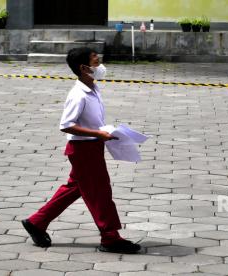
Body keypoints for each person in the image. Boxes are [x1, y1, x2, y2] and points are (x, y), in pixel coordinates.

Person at [22, 47, 141, 254]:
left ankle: (36, 222)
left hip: (92, 146)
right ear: (84, 68)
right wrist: (98, 134)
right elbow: (66, 124)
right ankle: (110, 237)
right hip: (83, 149)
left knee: (76, 187)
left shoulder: (93, 88)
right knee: (100, 192)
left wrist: (103, 133)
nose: (100, 65)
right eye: (96, 62)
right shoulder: (78, 95)